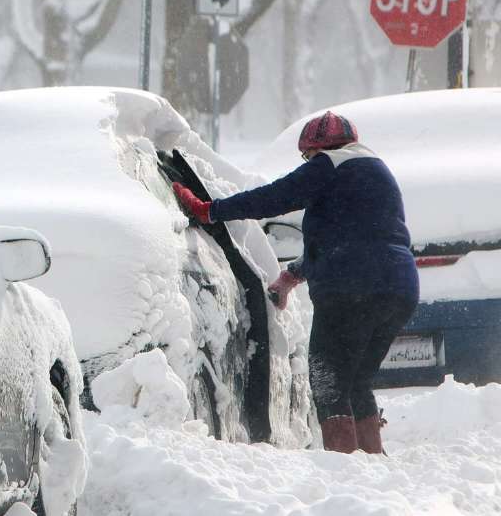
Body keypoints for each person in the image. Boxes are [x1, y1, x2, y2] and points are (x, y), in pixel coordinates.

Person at [172, 111, 418, 455]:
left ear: (316, 150)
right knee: (357, 381)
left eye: (307, 157)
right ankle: (373, 462)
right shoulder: (376, 169)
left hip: (350, 288)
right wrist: (292, 276)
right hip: (400, 287)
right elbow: (357, 239)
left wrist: (209, 210)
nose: (307, 163)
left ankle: (346, 467)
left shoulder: (329, 164)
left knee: (328, 381)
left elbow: (273, 197)